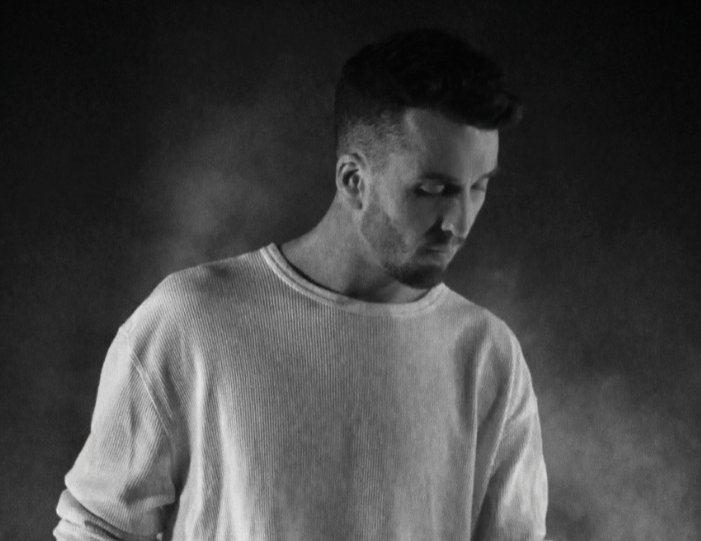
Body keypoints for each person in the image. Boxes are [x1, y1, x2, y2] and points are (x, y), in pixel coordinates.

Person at [55, 28, 548, 541]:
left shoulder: (489, 357)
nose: (459, 221)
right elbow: (95, 529)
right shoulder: (192, 322)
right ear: (353, 180)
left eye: (478, 187)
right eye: (432, 189)